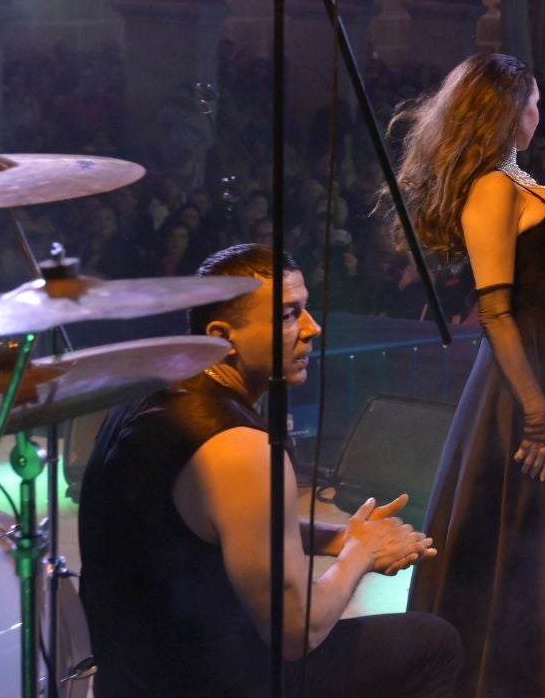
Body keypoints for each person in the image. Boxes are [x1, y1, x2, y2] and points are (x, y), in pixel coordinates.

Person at [79, 244, 460, 697]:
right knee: (435, 643)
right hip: (209, 683)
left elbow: (224, 524)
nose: (312, 328)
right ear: (224, 334)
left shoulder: (149, 392)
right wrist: (361, 553)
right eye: (287, 315)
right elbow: (298, 632)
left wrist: (336, 537)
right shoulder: (240, 448)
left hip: (134, 677)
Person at [393, 53, 545, 698]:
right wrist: (538, 412)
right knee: (526, 530)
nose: (540, 114)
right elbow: (495, 308)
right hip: (526, 377)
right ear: (507, 111)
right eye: (534, 103)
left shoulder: (517, 180)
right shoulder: (491, 187)